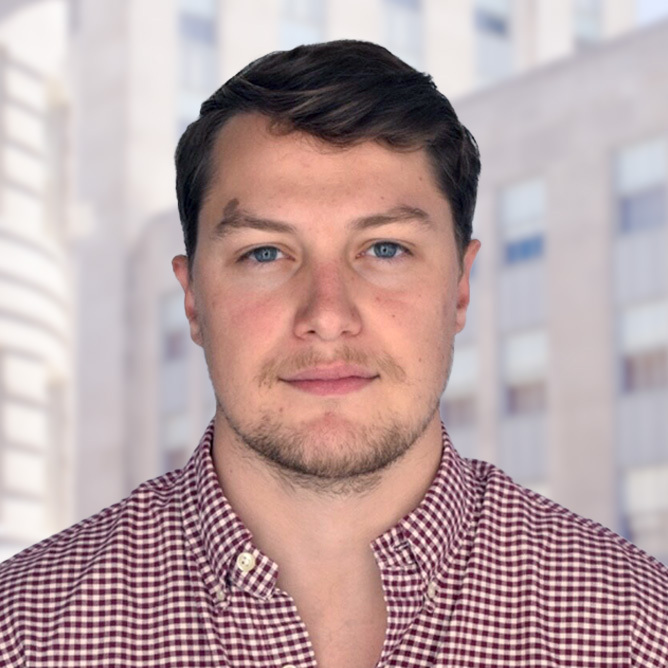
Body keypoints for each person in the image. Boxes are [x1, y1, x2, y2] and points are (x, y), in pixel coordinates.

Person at [1, 40, 666, 668]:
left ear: (460, 289)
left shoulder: (639, 629)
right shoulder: (24, 633)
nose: (327, 316)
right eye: (264, 253)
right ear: (194, 300)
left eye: (385, 250)